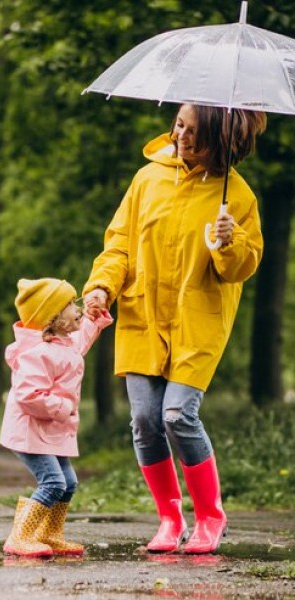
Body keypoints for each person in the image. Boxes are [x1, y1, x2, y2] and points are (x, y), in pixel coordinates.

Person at [83, 104, 267, 555]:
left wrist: (231, 242)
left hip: (196, 321)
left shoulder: (237, 197)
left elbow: (240, 269)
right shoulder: (146, 180)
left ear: (220, 141)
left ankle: (210, 516)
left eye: (194, 132)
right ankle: (169, 517)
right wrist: (101, 287)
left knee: (177, 415)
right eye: (178, 125)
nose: (181, 136)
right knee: (145, 423)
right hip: (143, 316)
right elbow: (119, 245)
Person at [0, 277, 113, 558]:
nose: (77, 309)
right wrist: (62, 407)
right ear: (53, 318)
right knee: (53, 482)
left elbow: (81, 339)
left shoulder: (64, 343)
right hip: (29, 431)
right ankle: (20, 537)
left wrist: (92, 318)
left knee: (69, 483)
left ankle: (49, 534)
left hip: (50, 431)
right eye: (70, 305)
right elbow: (28, 395)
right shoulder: (37, 353)